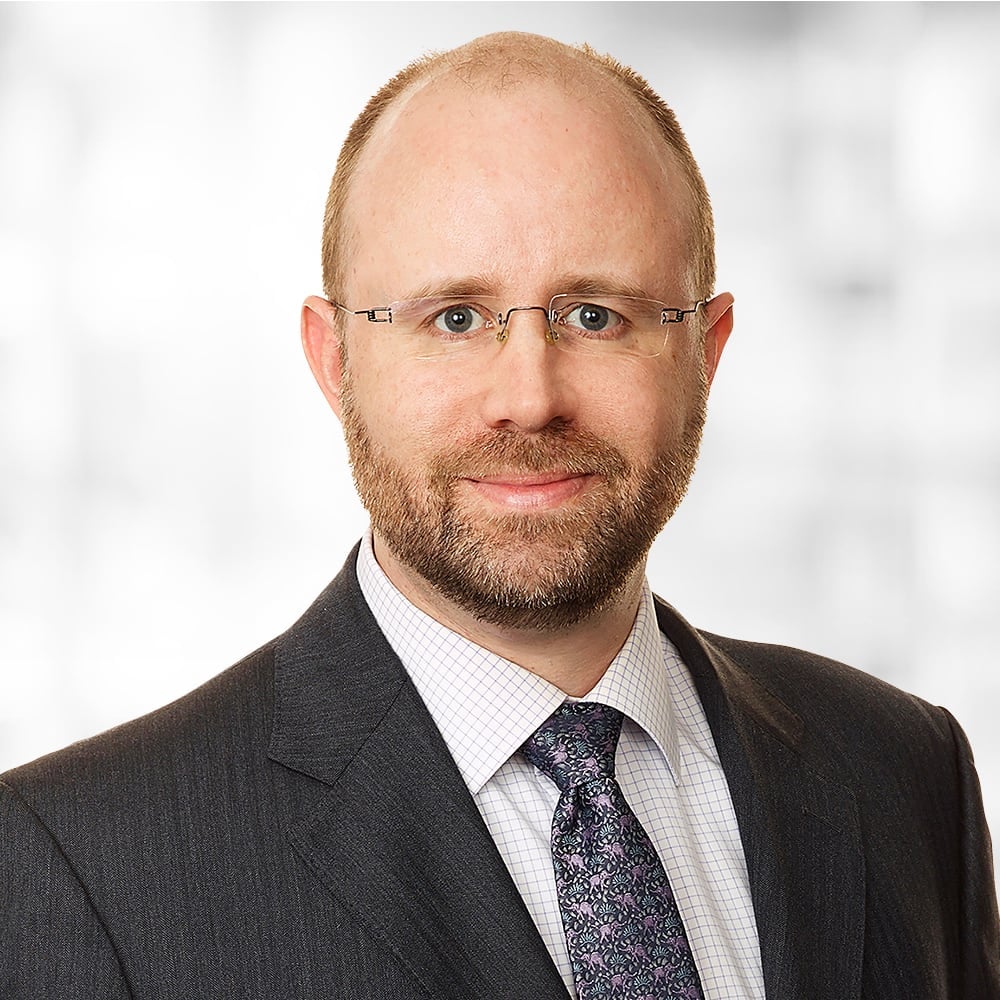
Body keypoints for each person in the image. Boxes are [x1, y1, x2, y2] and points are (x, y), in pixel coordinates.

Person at [2, 30, 997, 1000]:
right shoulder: (82, 865)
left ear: (706, 350)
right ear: (335, 361)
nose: (529, 397)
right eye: (455, 318)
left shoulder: (906, 775)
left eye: (595, 315)